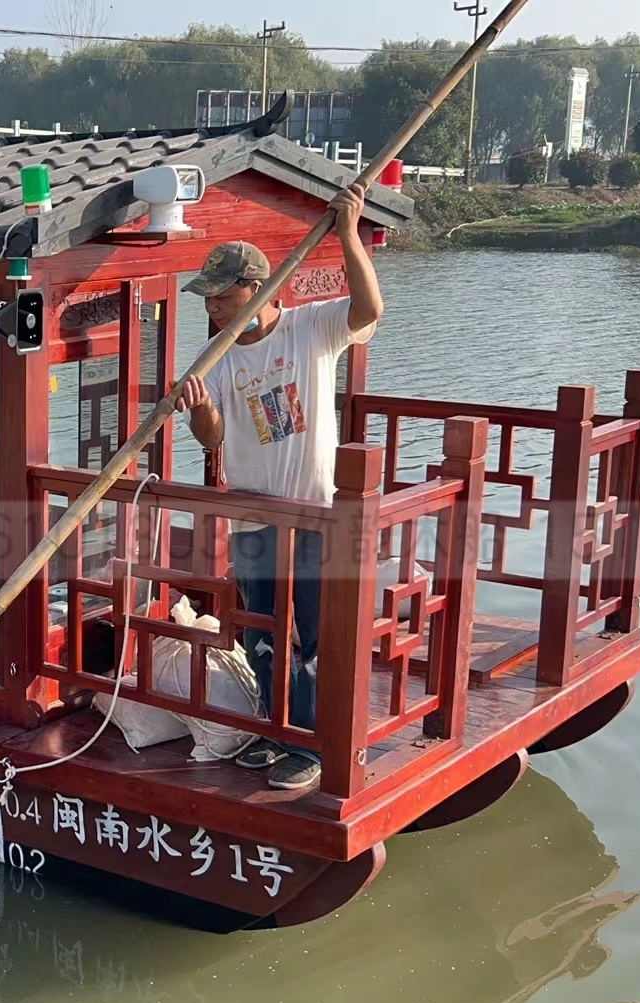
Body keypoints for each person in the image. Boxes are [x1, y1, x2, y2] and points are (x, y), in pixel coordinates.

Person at [171, 181, 383, 792]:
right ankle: (274, 729)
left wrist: (348, 233)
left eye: (223, 296)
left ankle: (310, 743)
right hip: (254, 514)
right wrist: (199, 406)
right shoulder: (217, 354)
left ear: (260, 288)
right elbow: (212, 438)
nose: (214, 308)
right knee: (261, 630)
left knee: (312, 634)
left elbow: (368, 311)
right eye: (209, 299)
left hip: (314, 510)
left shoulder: (309, 327)